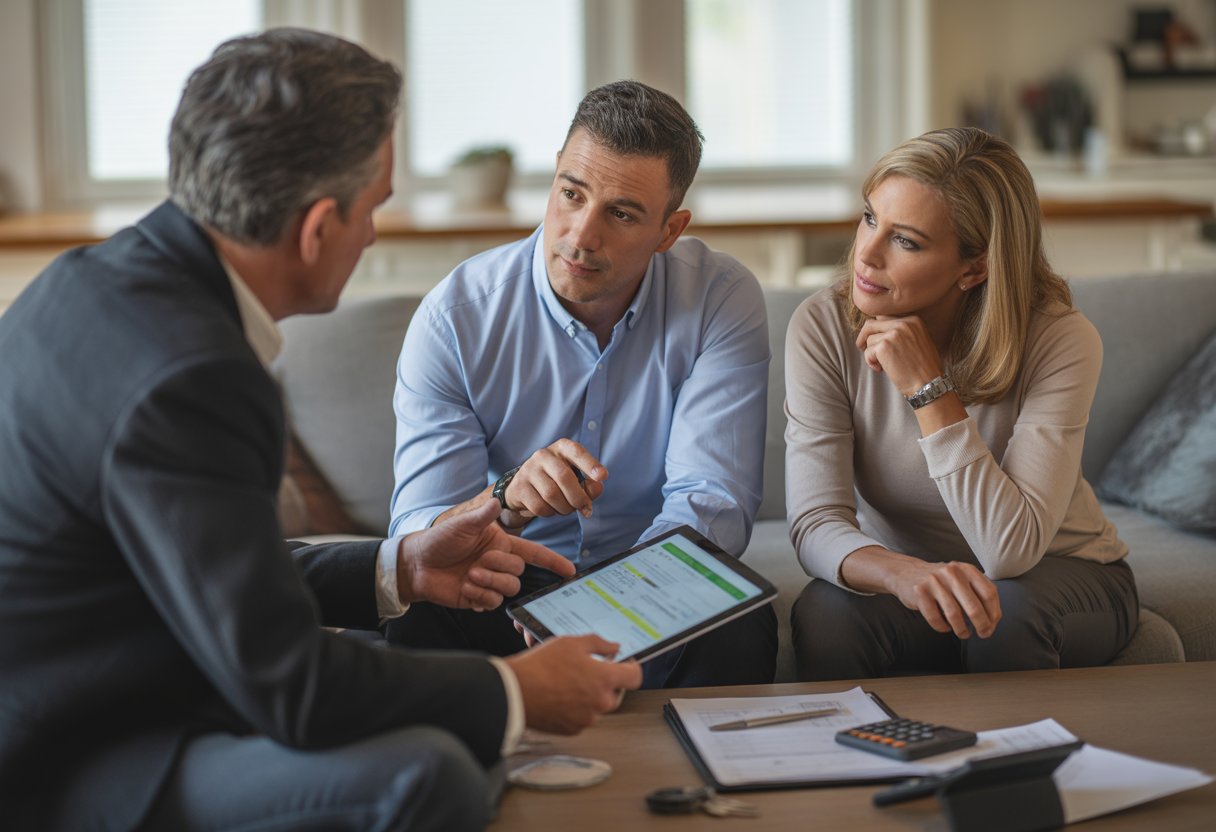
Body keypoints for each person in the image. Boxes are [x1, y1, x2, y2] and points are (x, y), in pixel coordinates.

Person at [0, 28, 640, 832]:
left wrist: (398, 565)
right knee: (428, 771)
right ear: (316, 227)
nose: (372, 234)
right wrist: (519, 689)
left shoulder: (87, 281)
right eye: (372, 208)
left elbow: (215, 577)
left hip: (105, 688)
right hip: (76, 759)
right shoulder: (196, 377)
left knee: (437, 715)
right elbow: (289, 683)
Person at [387, 80, 777, 688]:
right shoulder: (455, 319)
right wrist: (506, 501)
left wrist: (611, 602)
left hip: (653, 575)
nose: (580, 236)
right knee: (421, 615)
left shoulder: (719, 299)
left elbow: (712, 498)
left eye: (621, 214)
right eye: (572, 194)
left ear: (669, 232)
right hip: (507, 582)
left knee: (740, 626)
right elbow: (419, 529)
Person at [785, 127, 1138, 680]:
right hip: (921, 583)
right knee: (827, 613)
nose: (866, 254)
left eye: (905, 241)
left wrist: (930, 391)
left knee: (1008, 612)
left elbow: (1008, 553)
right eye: (870, 218)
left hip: (1059, 575)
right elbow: (815, 522)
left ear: (975, 267)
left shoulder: (1061, 340)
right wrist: (901, 573)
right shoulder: (822, 325)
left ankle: (1006, 767)